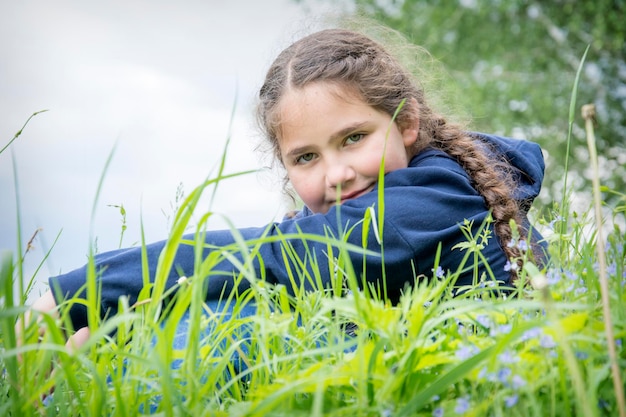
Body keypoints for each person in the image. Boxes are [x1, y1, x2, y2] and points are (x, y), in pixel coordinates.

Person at [25, 28, 547, 354]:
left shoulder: (443, 192)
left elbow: (276, 258)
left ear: (406, 121)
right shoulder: (334, 218)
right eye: (306, 157)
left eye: (354, 139)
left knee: (226, 329)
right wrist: (120, 326)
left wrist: (83, 291)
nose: (336, 173)